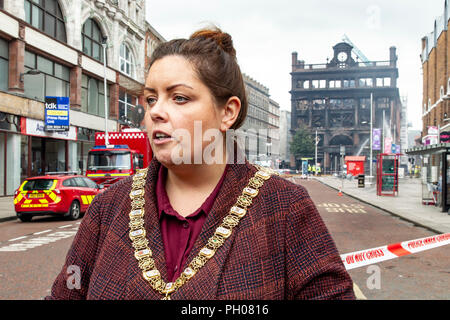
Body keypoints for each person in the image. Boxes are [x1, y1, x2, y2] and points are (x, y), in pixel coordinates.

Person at [45, 27, 355, 300]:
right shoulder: (110, 207)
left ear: (227, 113)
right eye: (151, 99)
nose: (155, 112)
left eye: (179, 98)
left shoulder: (283, 207)